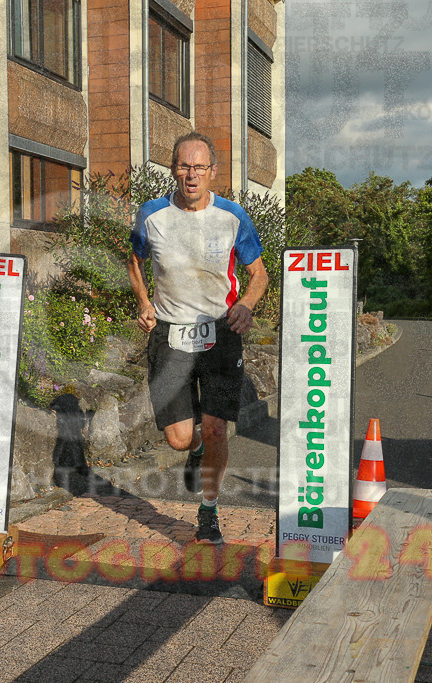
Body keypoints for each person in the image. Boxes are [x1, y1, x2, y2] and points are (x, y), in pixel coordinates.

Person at [127, 131, 269, 544]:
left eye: (200, 167)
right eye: (184, 166)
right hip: (170, 335)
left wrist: (245, 305)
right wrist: (142, 301)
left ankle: (209, 512)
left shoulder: (233, 217)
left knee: (216, 428)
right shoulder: (151, 214)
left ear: (212, 172)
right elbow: (134, 261)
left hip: (220, 332)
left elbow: (259, 275)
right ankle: (194, 451)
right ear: (173, 170)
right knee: (179, 439)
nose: (192, 175)